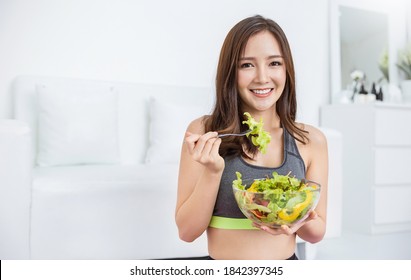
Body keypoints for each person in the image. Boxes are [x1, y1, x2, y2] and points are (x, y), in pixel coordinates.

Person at [175, 15, 328, 260]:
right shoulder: (204, 131)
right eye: (247, 65)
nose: (262, 77)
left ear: (287, 68)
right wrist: (212, 172)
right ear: (230, 72)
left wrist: (295, 217)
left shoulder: (311, 140)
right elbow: (187, 231)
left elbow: (317, 231)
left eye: (274, 63)